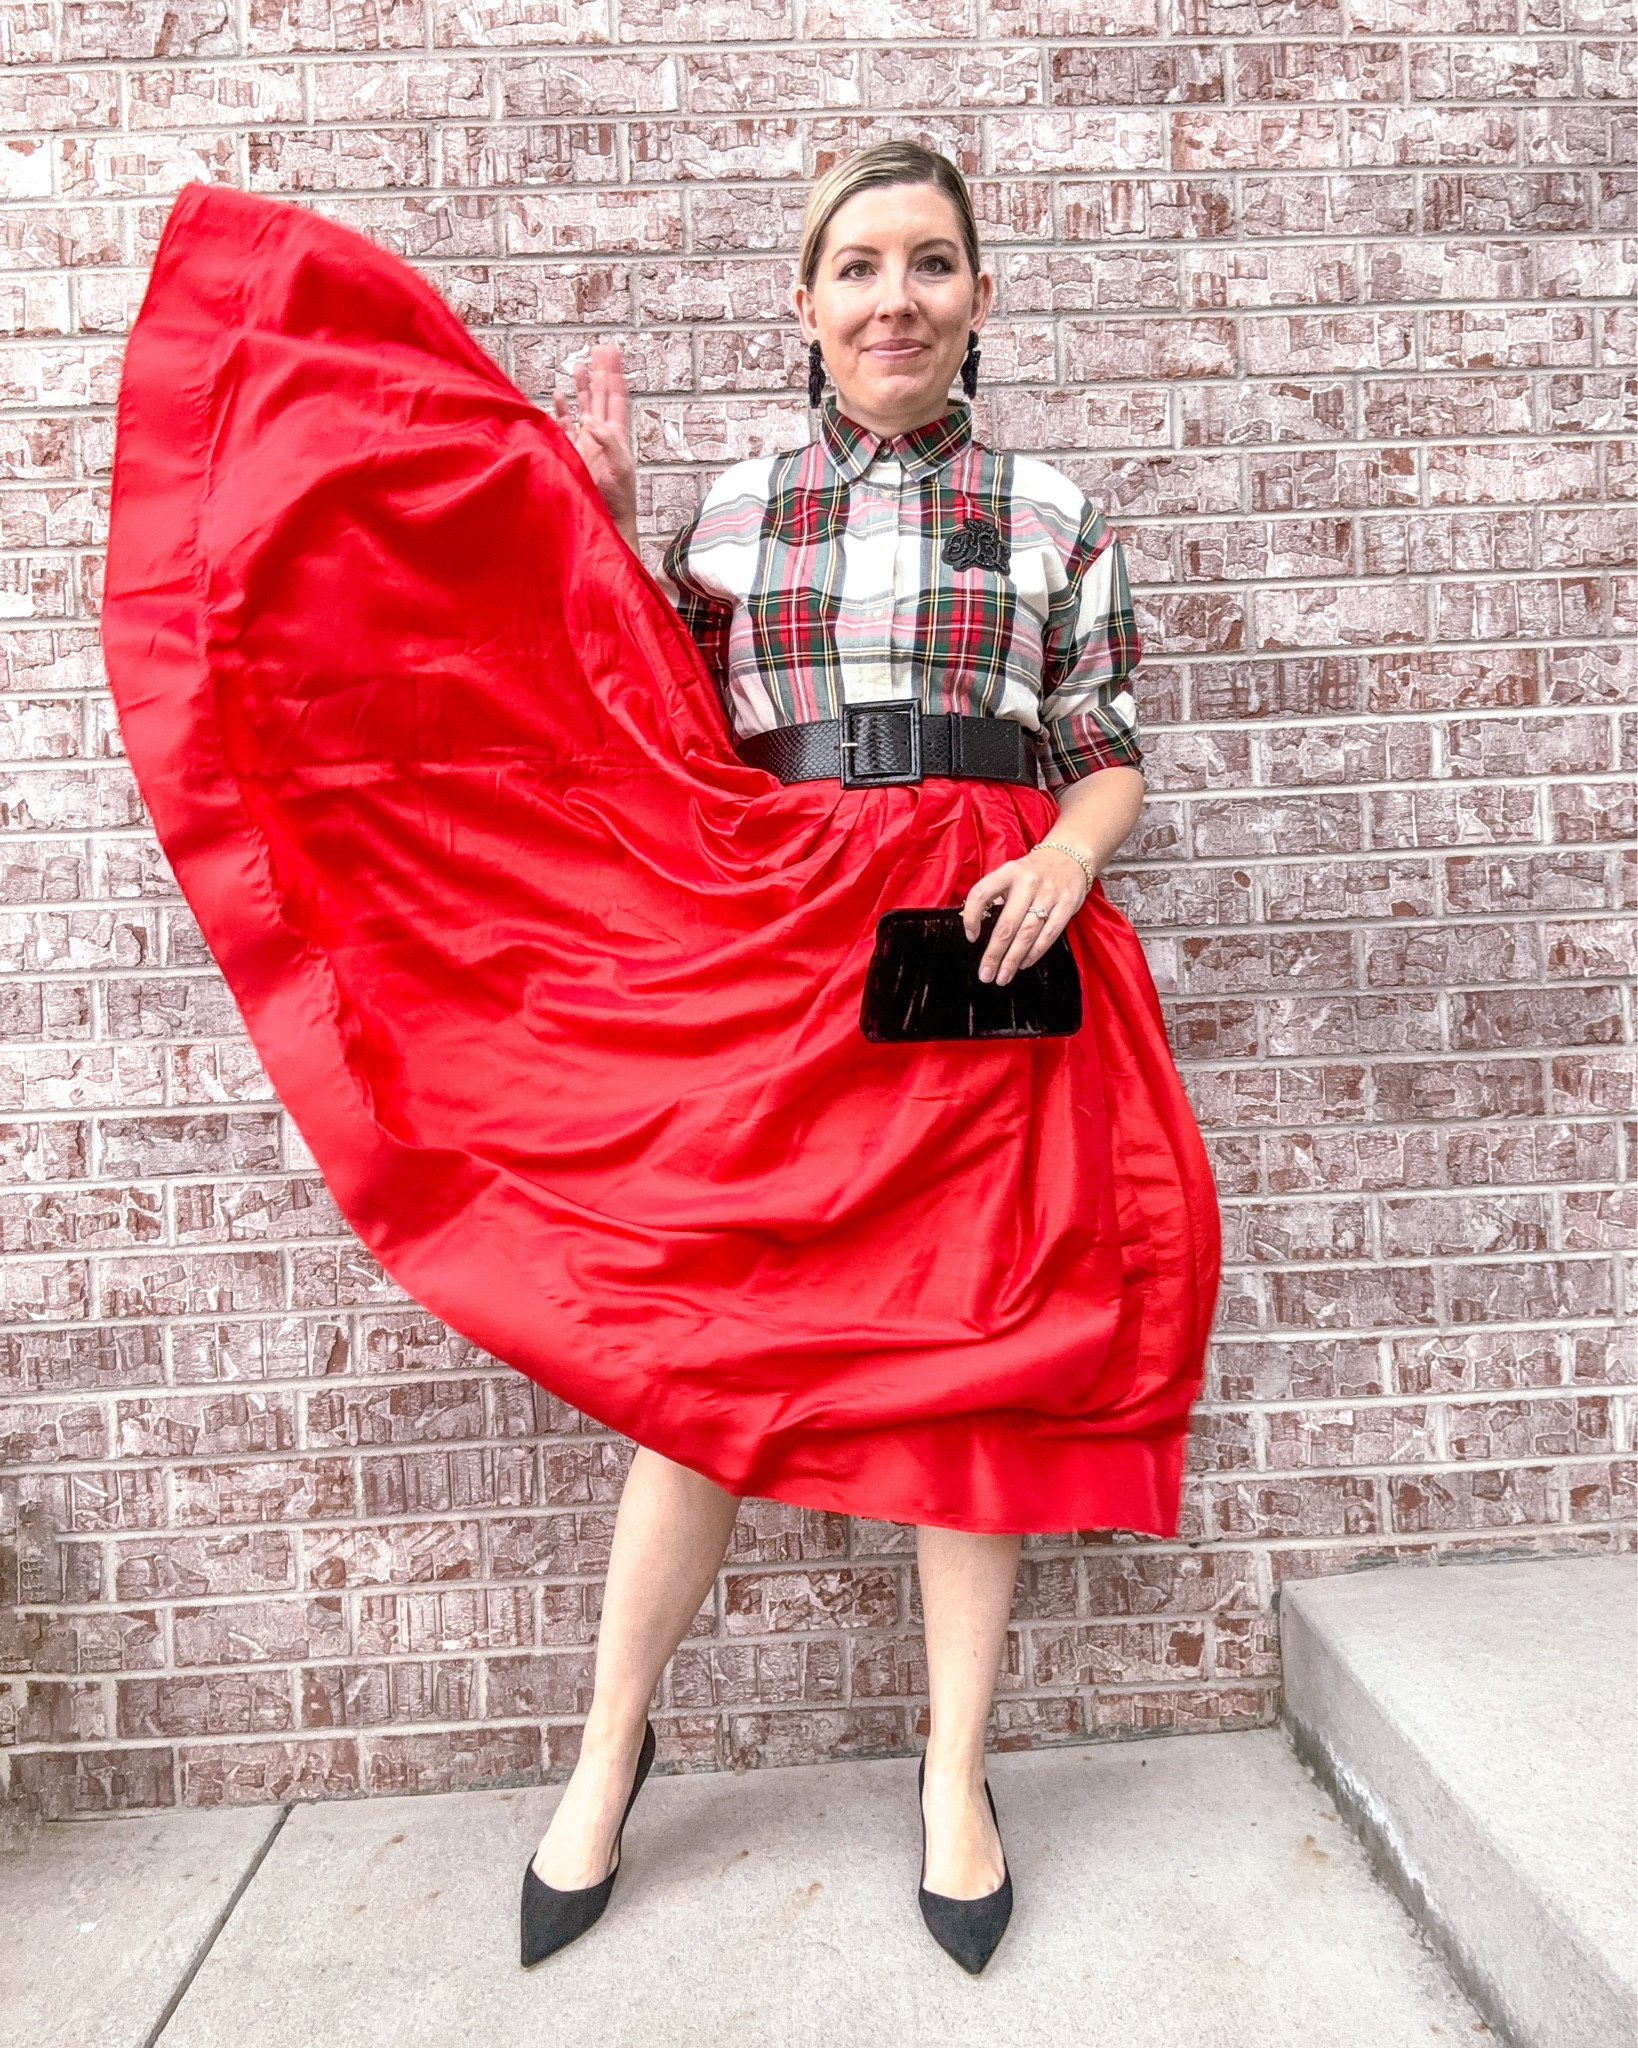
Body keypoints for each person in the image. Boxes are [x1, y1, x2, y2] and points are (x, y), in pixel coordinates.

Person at [101, 147, 1218, 1984]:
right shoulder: (734, 512)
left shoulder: (1051, 513)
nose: (893, 298)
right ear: (805, 303)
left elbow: (1101, 742)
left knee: (979, 1359)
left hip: (982, 933)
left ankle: (953, 1778)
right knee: (702, 1354)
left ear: (979, 295)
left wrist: (1070, 854)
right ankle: (608, 1753)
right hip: (782, 941)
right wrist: (596, 535)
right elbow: (641, 725)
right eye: (856, 266)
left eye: (931, 263)